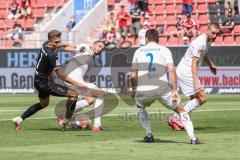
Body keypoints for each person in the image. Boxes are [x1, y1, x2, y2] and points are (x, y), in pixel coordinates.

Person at [130, 29, 200, 144]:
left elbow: (133, 76)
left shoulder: (138, 51)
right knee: (181, 110)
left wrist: (133, 90)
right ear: (158, 39)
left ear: (146, 39)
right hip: (162, 89)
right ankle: (193, 138)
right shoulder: (165, 50)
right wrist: (174, 90)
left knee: (140, 106)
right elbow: (171, 70)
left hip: (144, 90)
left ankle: (149, 135)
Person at [12, 30, 86, 132]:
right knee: (73, 95)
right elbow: (61, 75)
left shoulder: (45, 44)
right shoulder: (52, 55)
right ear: (50, 41)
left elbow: (61, 46)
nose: (58, 44)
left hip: (38, 80)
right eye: (56, 42)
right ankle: (66, 120)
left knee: (43, 104)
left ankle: (19, 119)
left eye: (59, 41)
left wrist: (69, 45)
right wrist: (77, 83)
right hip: (44, 83)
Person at [168, 24, 220, 131]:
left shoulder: (207, 40)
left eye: (217, 34)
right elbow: (193, 64)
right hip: (186, 71)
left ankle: (182, 121)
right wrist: (197, 83)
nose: (215, 36)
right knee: (202, 97)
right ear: (207, 31)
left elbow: (203, 54)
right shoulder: (200, 43)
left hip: (185, 70)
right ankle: (175, 118)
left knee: (194, 100)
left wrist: (210, 64)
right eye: (213, 33)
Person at [54, 40, 106, 132]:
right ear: (93, 45)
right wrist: (57, 45)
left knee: (89, 100)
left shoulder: (90, 55)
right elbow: (72, 48)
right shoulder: (85, 47)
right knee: (101, 94)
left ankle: (63, 115)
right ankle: (97, 125)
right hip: (73, 79)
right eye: (99, 46)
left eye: (102, 48)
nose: (101, 49)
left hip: (75, 79)